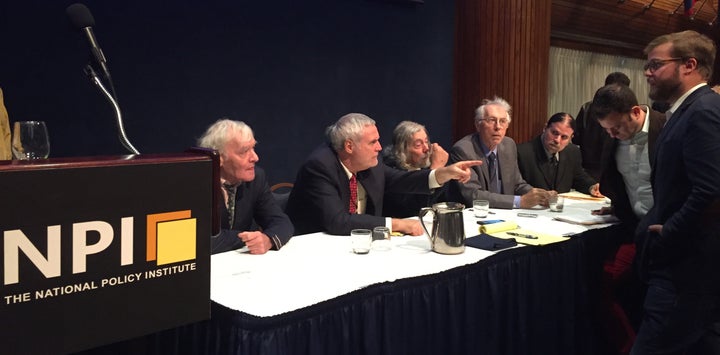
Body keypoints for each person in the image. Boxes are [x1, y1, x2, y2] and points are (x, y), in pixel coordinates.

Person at [632, 30, 720, 354]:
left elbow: (711, 190)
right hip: (689, 267)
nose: (647, 72)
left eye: (656, 64)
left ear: (689, 65)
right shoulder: (685, 111)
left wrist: (671, 229)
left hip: (685, 269)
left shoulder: (703, 111)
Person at [285, 113, 480, 236]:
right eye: (372, 142)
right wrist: (397, 224)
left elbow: (401, 180)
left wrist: (442, 174)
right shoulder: (320, 166)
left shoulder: (371, 164)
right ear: (349, 146)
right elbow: (338, 222)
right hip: (312, 248)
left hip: (357, 245)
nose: (379, 147)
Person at [590, 83, 666, 355]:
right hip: (634, 228)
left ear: (635, 112)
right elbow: (621, 180)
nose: (612, 135)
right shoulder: (613, 136)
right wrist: (615, 206)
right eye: (607, 130)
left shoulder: (667, 127)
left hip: (667, 231)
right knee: (608, 286)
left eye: (616, 128)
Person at [197, 119, 294, 255]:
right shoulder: (197, 185)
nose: (255, 157)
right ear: (219, 158)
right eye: (244, 151)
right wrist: (248, 239)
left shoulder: (256, 179)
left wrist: (268, 240)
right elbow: (197, 240)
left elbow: (281, 222)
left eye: (253, 148)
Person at [448, 96, 551, 209]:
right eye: (492, 120)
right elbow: (474, 195)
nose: (498, 127)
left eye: (502, 121)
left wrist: (541, 195)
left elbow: (517, 184)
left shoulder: (508, 145)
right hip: (474, 215)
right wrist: (519, 202)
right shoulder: (463, 150)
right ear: (478, 125)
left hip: (506, 214)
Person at [516, 112, 600, 196]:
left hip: (563, 206)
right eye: (554, 133)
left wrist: (591, 187)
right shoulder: (522, 152)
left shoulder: (572, 152)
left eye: (564, 137)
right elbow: (516, 186)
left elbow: (578, 177)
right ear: (545, 128)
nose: (557, 140)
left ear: (571, 138)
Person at [381, 120, 449, 218]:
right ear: (402, 150)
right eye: (418, 145)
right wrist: (436, 169)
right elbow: (416, 210)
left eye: (426, 141)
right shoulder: (392, 170)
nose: (426, 148)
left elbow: (442, 203)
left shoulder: (424, 166)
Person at [574, 72, 630, 180]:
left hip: (590, 166)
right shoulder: (624, 111)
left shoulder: (587, 108)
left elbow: (576, 138)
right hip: (610, 167)